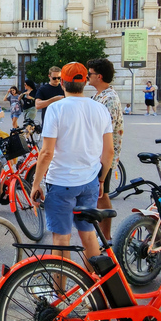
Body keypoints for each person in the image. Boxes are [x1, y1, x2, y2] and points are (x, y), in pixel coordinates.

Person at [31, 62, 113, 264]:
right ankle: (94, 287)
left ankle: (59, 292)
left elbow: (47, 152)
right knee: (88, 234)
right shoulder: (100, 109)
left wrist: (36, 183)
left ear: (63, 84)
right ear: (85, 82)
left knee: (61, 238)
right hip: (89, 181)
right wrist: (101, 180)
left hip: (61, 182)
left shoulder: (56, 109)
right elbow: (109, 151)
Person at [87, 58, 123, 240]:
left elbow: (102, 131)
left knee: (102, 195)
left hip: (103, 156)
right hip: (97, 154)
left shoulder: (108, 99)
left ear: (99, 76)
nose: (87, 76)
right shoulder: (99, 95)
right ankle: (103, 235)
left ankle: (106, 237)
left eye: (90, 73)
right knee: (100, 195)